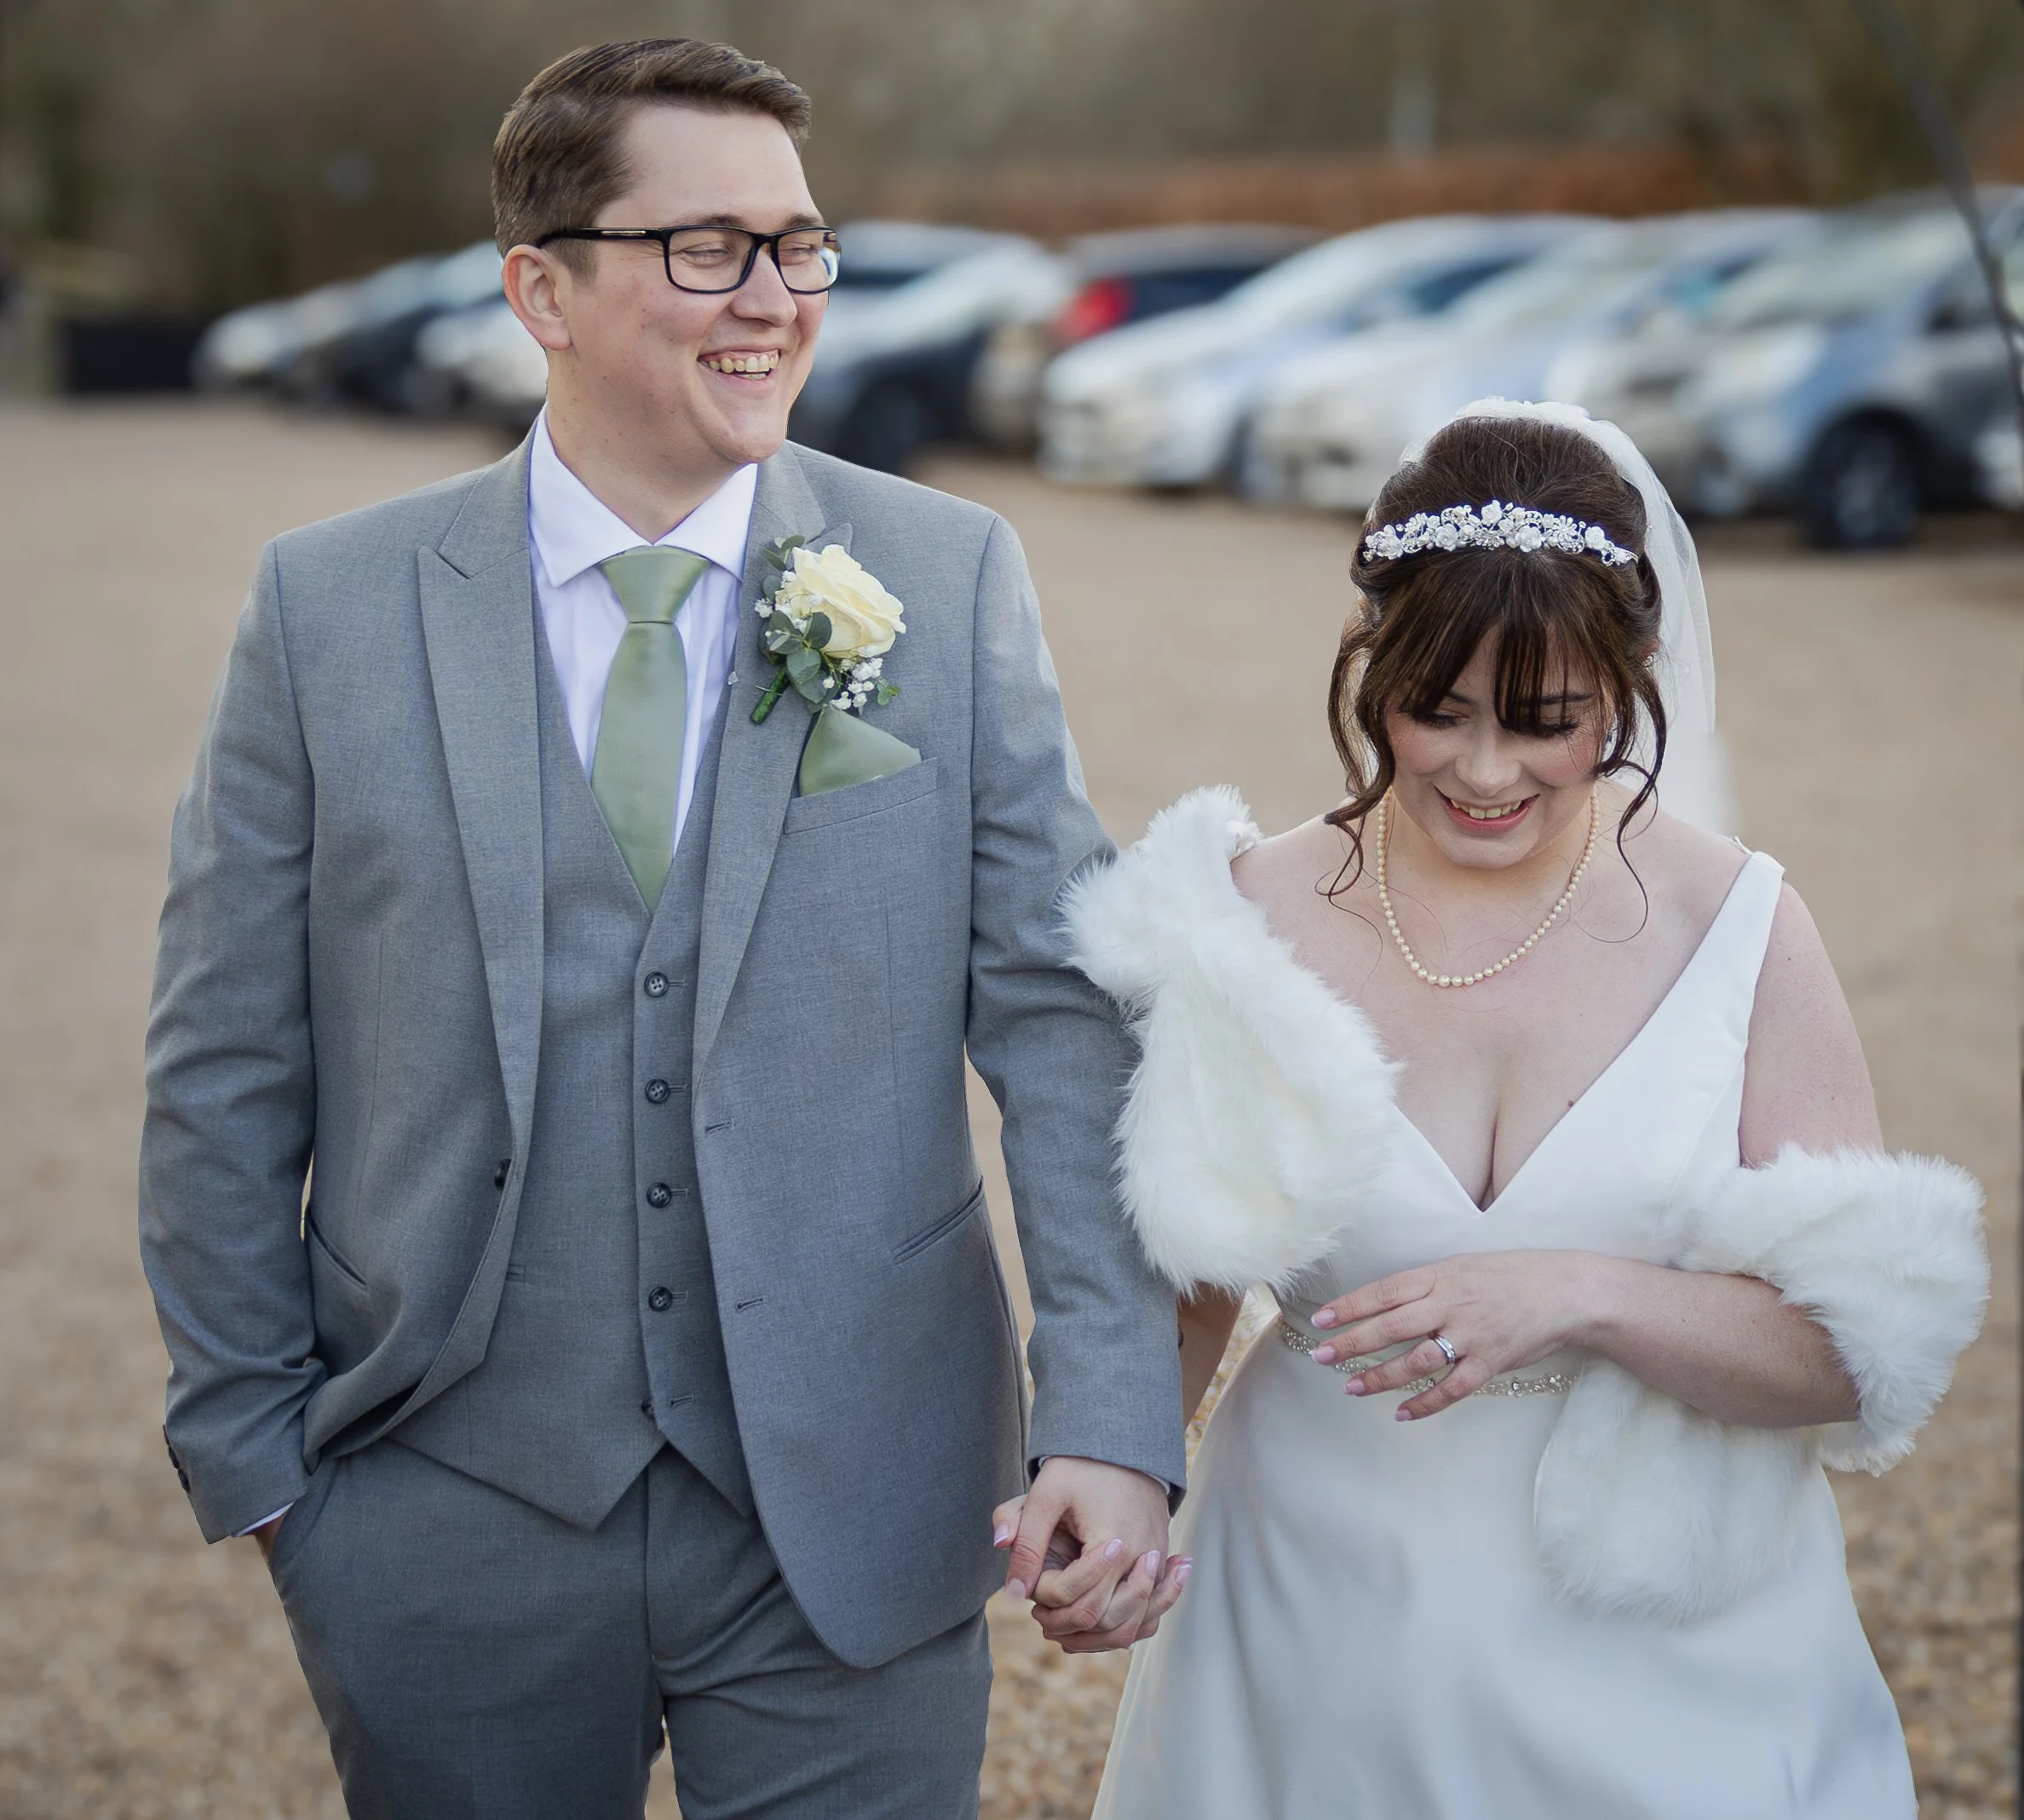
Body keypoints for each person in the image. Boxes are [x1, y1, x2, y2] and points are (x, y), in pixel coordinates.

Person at [138, 38, 1185, 1817]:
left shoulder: (944, 578)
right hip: (443, 1521)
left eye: (800, 243)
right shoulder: (330, 609)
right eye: (708, 248)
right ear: (539, 290)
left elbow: (1062, 1021)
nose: (774, 297)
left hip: (859, 1510)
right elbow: (226, 1061)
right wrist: (262, 1467)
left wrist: (1107, 1415)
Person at [1056, 403, 1988, 1818]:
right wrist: (1120, 1486)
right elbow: (1185, 1290)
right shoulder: (1241, 916)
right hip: (1313, 1619)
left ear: (1626, 685)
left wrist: (1581, 1296)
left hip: (1670, 1646)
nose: (1485, 774)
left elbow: (1856, 1353)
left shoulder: (1739, 926)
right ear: (1374, 666)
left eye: (1546, 725)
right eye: (1438, 713)